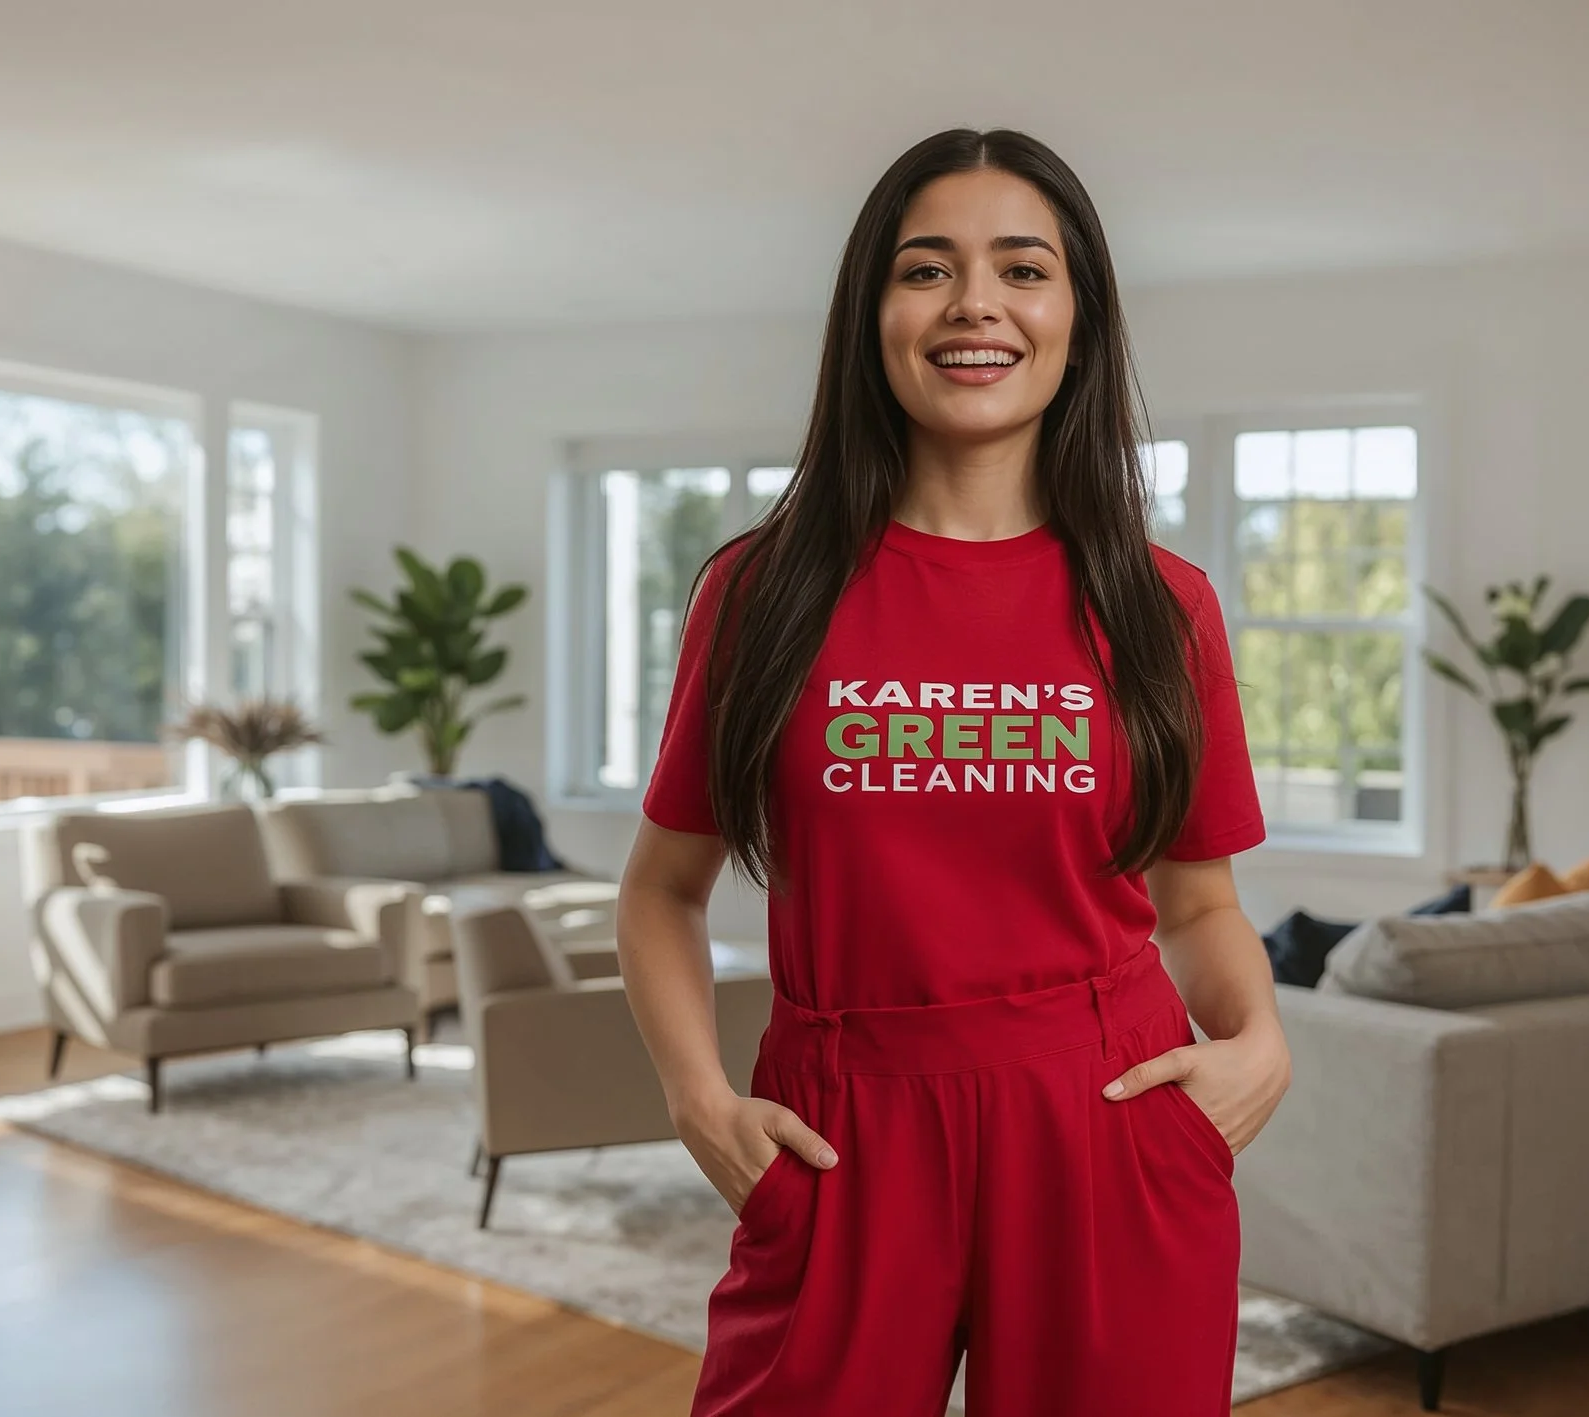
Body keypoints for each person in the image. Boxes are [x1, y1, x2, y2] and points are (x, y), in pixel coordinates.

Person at [616, 127, 1291, 1417]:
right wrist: (700, 1101)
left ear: (1079, 321)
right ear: (870, 317)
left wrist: (1259, 1040)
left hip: (1105, 1114)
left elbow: (1200, 903)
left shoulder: (1163, 606)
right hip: (843, 1128)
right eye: (927, 270)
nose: (976, 303)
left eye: (1023, 270)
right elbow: (661, 890)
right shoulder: (760, 594)